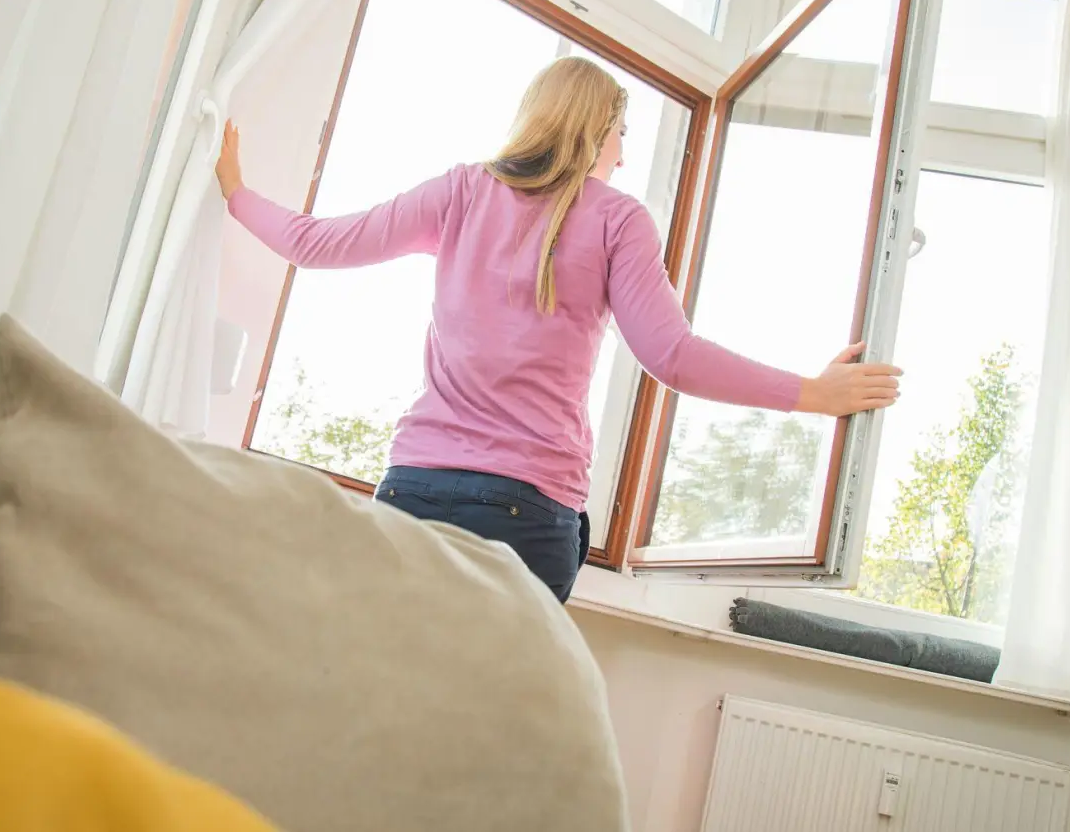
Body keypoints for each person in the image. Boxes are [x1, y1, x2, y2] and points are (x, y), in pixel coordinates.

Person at [215, 57, 901, 604]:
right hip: (525, 509)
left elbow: (315, 244)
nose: (624, 157)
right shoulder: (617, 219)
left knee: (378, 710)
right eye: (622, 134)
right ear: (597, 128)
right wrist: (813, 393)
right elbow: (672, 356)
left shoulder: (461, 191)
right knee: (484, 743)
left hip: (414, 493)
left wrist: (236, 193)